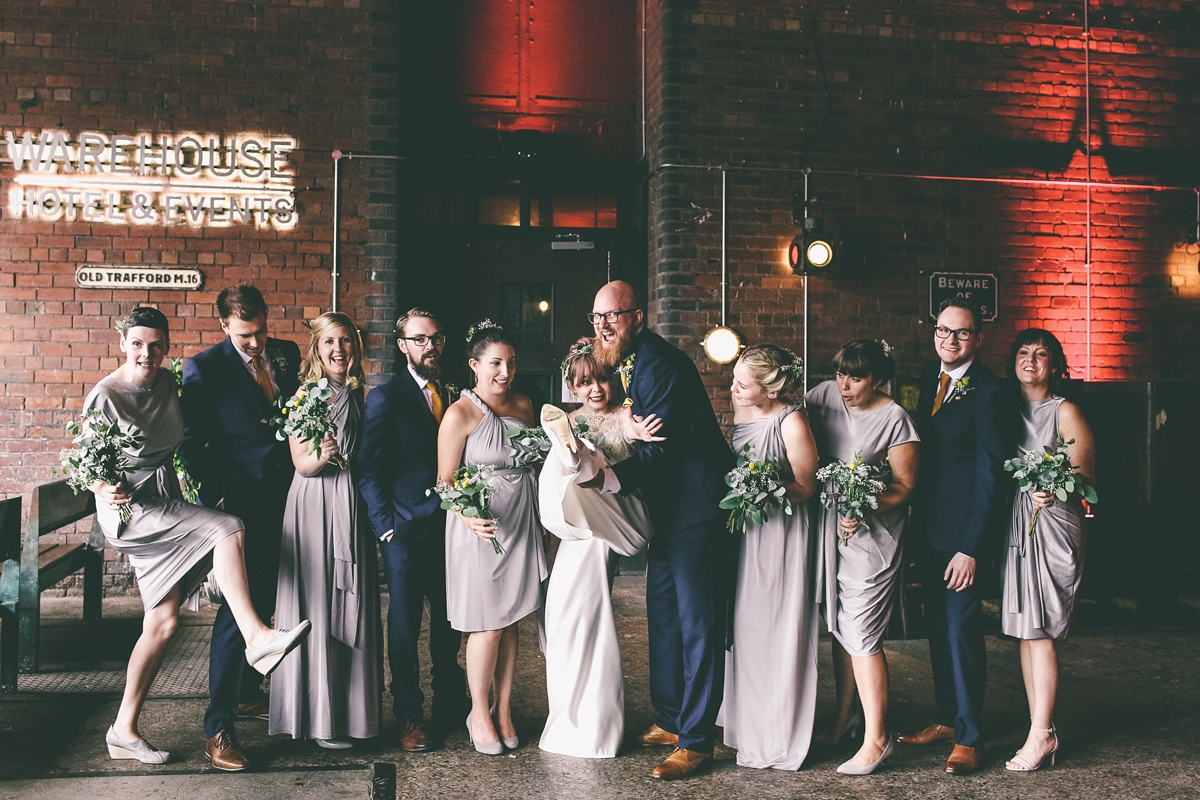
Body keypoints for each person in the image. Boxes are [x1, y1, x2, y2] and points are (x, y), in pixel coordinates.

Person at [87, 307, 309, 765]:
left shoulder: (170, 383)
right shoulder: (107, 394)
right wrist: (103, 485)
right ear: (123, 343)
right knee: (226, 527)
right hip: (133, 509)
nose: (145, 353)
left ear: (166, 347)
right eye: (137, 344)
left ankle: (123, 729)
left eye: (155, 345)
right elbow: (88, 464)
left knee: (163, 622)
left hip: (164, 497)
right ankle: (257, 637)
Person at [582, 281, 735, 780]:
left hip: (695, 506)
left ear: (638, 317)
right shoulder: (627, 362)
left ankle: (697, 741)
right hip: (666, 510)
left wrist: (608, 477)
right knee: (663, 613)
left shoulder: (659, 364)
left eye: (615, 316)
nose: (604, 326)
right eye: (598, 317)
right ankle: (671, 719)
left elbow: (662, 448)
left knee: (697, 624)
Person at [180, 284, 305, 771]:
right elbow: (192, 444)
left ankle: (246, 692)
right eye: (245, 335)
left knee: (273, 596)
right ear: (223, 327)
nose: (255, 344)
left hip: (291, 496)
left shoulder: (286, 354)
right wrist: (218, 501)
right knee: (239, 613)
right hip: (241, 502)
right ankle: (218, 726)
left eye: (261, 332)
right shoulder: (204, 368)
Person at [898, 299, 1009, 777]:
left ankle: (970, 736)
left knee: (962, 632)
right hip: (928, 527)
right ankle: (946, 718)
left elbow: (990, 478)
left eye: (962, 333)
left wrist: (971, 548)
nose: (951, 340)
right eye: (944, 331)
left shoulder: (991, 393)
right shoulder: (928, 376)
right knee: (938, 630)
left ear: (979, 339)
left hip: (963, 535)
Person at [537, 339, 663, 759]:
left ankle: (595, 726)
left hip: (611, 525)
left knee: (585, 617)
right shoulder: (569, 419)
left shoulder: (625, 416)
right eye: (584, 382)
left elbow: (634, 437)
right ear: (572, 386)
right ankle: (570, 717)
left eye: (602, 379)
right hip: (576, 534)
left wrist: (637, 431)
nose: (594, 389)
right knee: (564, 621)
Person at [806, 339, 920, 775]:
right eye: (841, 373)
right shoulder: (824, 396)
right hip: (828, 528)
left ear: (878, 379)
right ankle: (844, 718)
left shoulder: (896, 420)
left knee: (863, 633)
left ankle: (877, 739)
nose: (845, 384)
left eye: (856, 377)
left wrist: (865, 505)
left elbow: (905, 486)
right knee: (839, 626)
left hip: (872, 535)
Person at [358, 308, 469, 753]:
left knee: (449, 619)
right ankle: (408, 717)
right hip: (404, 531)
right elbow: (369, 470)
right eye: (420, 339)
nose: (430, 347)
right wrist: (385, 527)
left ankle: (448, 701)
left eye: (437, 338)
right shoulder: (385, 398)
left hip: (449, 529)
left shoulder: (455, 392)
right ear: (402, 345)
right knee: (404, 627)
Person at [269, 312, 382, 749]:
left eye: (347, 341)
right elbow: (302, 463)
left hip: (349, 501)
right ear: (317, 348)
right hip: (314, 503)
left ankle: (351, 717)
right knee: (317, 602)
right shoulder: (305, 396)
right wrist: (324, 455)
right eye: (331, 342)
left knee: (348, 602)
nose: (340, 350)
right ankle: (319, 720)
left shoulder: (357, 395)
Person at [439, 321, 546, 755]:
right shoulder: (459, 414)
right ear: (475, 365)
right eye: (496, 363)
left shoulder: (524, 403)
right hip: (481, 529)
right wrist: (468, 517)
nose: (505, 371)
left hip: (521, 522)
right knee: (487, 626)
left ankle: (504, 709)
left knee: (511, 619)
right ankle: (478, 712)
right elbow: (444, 482)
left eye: (511, 362)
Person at [717, 345, 820, 771]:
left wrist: (767, 491)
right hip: (747, 533)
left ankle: (778, 737)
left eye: (743, 383)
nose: (733, 388)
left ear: (770, 387)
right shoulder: (741, 411)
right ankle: (748, 725)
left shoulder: (791, 421)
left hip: (782, 534)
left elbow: (806, 485)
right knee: (746, 628)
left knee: (778, 628)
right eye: (735, 380)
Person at [1001, 329, 1094, 772]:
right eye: (1023, 352)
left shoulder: (1065, 410)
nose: (1031, 360)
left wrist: (1053, 491)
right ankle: (1042, 727)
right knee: (1025, 628)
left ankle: (1041, 735)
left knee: (1040, 629)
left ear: (1054, 365)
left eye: (1041, 354)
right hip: (1017, 523)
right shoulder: (1003, 407)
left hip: (1052, 522)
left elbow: (1086, 478)